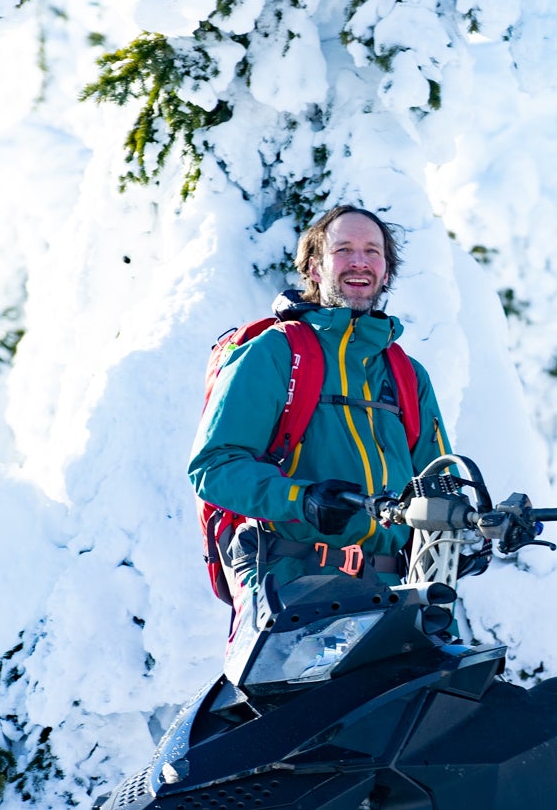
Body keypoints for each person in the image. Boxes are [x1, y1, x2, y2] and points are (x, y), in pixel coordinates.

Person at [189, 205, 451, 598]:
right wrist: (303, 499)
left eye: (372, 251)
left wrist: (471, 530)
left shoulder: (407, 375)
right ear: (314, 268)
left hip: (395, 589)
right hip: (291, 583)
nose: (359, 262)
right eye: (343, 249)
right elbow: (214, 466)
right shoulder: (277, 353)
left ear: (386, 270)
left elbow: (437, 484)